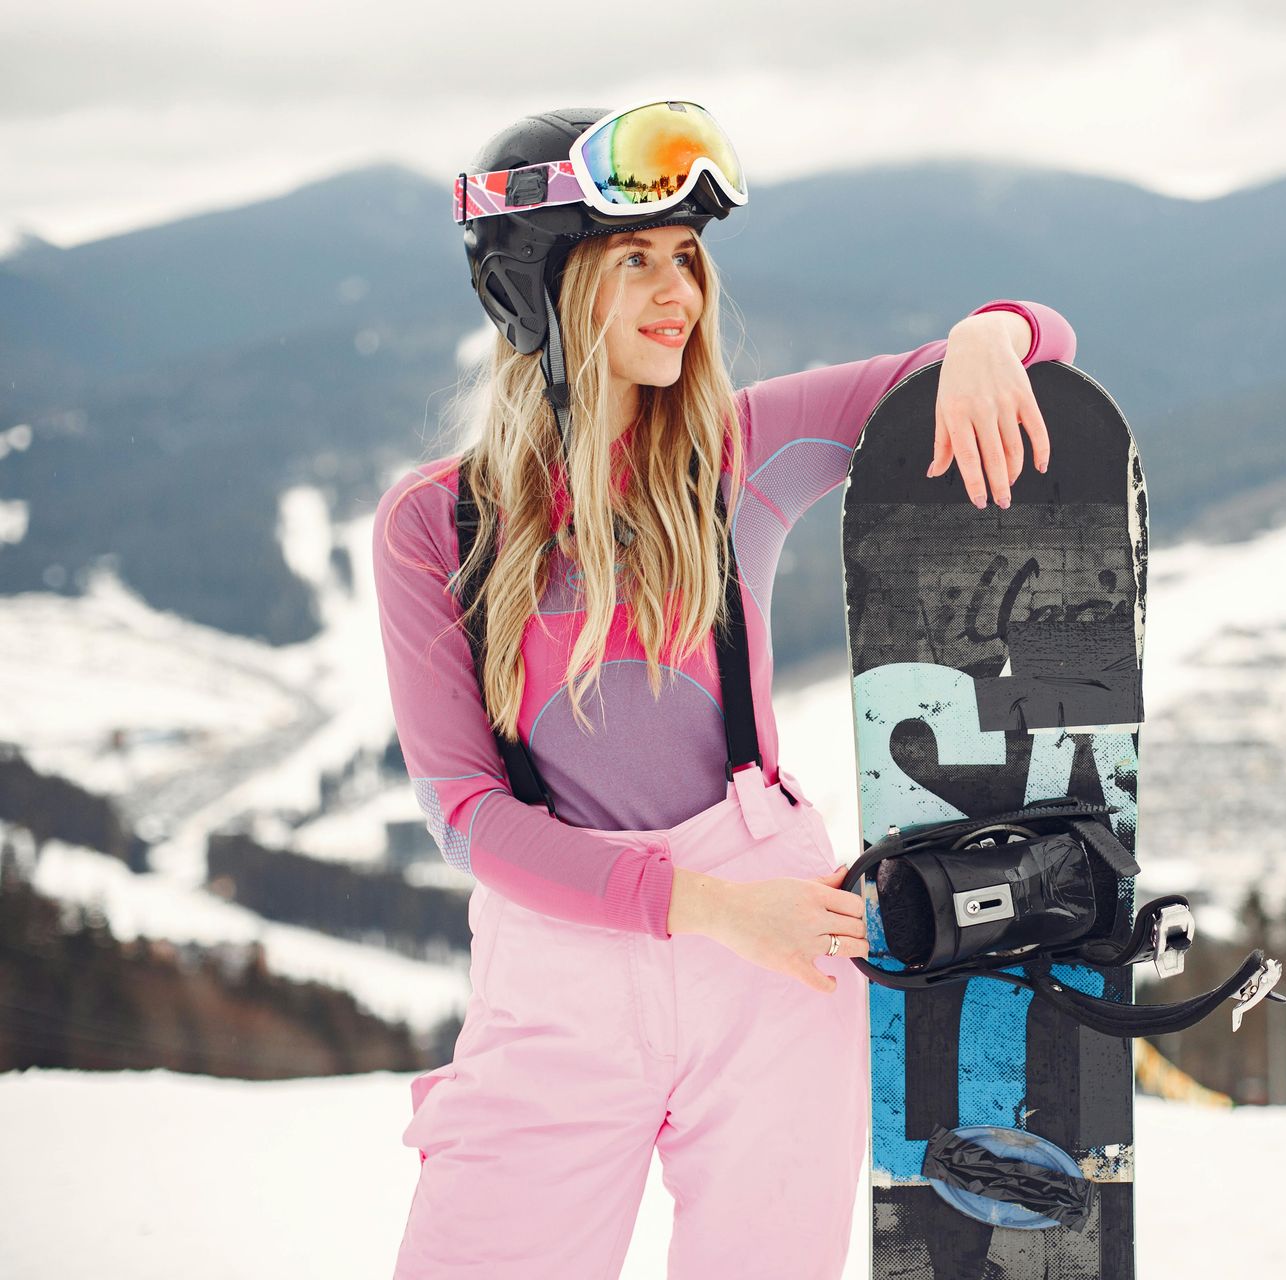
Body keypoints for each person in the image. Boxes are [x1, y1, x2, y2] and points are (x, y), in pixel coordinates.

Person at [372, 102, 1075, 1279]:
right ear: (533, 288)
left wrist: (987, 335)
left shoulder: (735, 456)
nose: (678, 293)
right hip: (563, 969)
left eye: (688, 258)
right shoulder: (437, 526)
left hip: (776, 950)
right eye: (633, 258)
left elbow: (1024, 340)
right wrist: (705, 907)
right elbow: (470, 817)